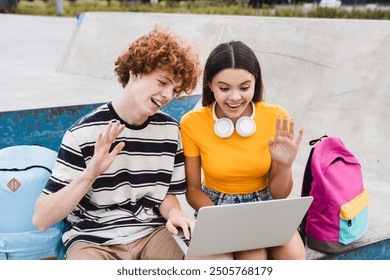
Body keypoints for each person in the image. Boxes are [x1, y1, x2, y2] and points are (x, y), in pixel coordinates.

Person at [32, 26, 202, 260]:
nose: (167, 95)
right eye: (162, 82)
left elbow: (167, 193)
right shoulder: (84, 133)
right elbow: (41, 219)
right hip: (93, 240)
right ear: (135, 71)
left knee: (201, 260)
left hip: (152, 233)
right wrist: (91, 173)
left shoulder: (170, 131)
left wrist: (175, 214)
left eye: (175, 89)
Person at [180, 40, 305, 260]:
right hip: (214, 208)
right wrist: (223, 220)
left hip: (264, 205)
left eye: (244, 87)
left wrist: (285, 165)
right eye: (224, 88)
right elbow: (192, 190)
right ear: (210, 84)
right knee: (251, 257)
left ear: (256, 82)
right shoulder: (192, 122)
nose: (235, 97)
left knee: (294, 255)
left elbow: (279, 194)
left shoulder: (277, 117)